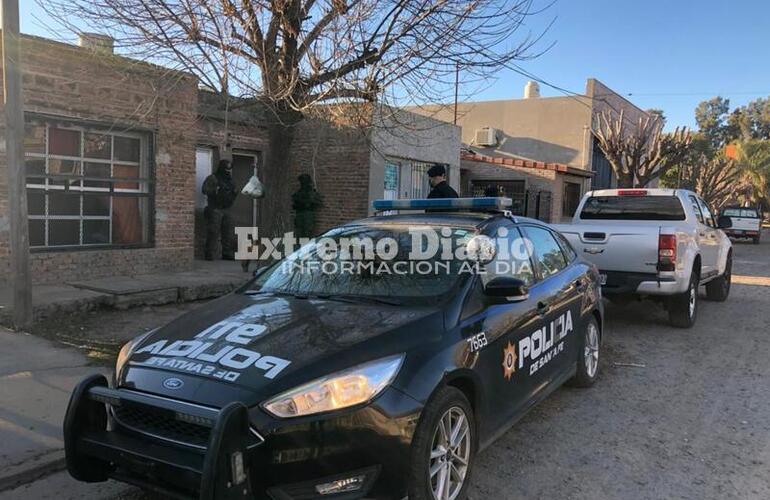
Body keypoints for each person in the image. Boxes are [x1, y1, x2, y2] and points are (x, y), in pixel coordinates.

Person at [202, 159, 238, 260]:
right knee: (213, 232)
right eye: (226, 169)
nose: (228, 171)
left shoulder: (230, 180)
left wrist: (234, 193)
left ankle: (226, 253)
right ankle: (209, 253)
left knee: (228, 232)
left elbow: (234, 191)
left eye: (229, 169)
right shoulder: (212, 178)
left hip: (227, 208)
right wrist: (215, 191)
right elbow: (204, 190)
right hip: (215, 208)